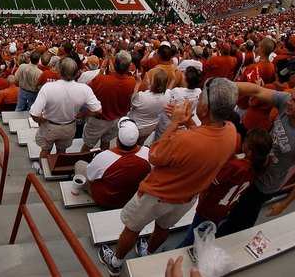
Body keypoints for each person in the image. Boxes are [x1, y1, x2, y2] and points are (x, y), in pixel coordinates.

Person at [98, 78, 239, 276]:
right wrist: (188, 121)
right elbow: (206, 140)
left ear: (205, 109)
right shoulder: (232, 132)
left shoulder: (185, 139)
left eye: (200, 100)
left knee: (131, 228)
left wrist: (174, 124)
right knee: (163, 227)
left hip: (157, 194)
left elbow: (154, 155)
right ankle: (149, 251)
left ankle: (116, 262)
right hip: (186, 198)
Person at [218, 79, 295, 236]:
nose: (289, 102)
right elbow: (256, 91)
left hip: (265, 185)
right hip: (252, 169)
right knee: (232, 205)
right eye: (291, 96)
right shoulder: (286, 102)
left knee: (243, 218)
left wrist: (284, 204)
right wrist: (225, 85)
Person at [178, 128, 272, 247]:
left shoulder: (235, 166)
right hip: (224, 208)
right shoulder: (257, 168)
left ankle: (178, 255)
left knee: (192, 237)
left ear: (249, 150)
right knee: (207, 230)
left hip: (209, 207)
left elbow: (212, 182)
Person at [30, 58, 102, 158]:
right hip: (69, 126)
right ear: (77, 73)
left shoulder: (48, 87)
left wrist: (41, 120)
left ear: (59, 71)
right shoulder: (84, 89)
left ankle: (43, 169)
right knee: (62, 151)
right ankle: (57, 168)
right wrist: (83, 114)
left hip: (50, 126)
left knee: (45, 150)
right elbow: (98, 110)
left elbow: (34, 114)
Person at [74, 118, 151, 209]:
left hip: (105, 200)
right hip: (130, 198)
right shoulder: (148, 153)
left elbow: (91, 177)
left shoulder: (104, 157)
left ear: (118, 140)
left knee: (79, 164)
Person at [82, 51, 136, 152]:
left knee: (88, 145)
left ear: (115, 65)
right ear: (128, 67)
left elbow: (87, 90)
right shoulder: (132, 81)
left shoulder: (101, 79)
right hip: (116, 120)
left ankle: (81, 162)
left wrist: (101, 70)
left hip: (99, 120)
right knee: (106, 142)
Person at [129, 69, 171, 144]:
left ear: (153, 82)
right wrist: (149, 85)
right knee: (140, 144)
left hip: (137, 126)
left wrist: (138, 83)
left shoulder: (142, 96)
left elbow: (132, 102)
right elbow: (155, 96)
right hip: (151, 126)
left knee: (130, 144)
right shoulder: (168, 95)